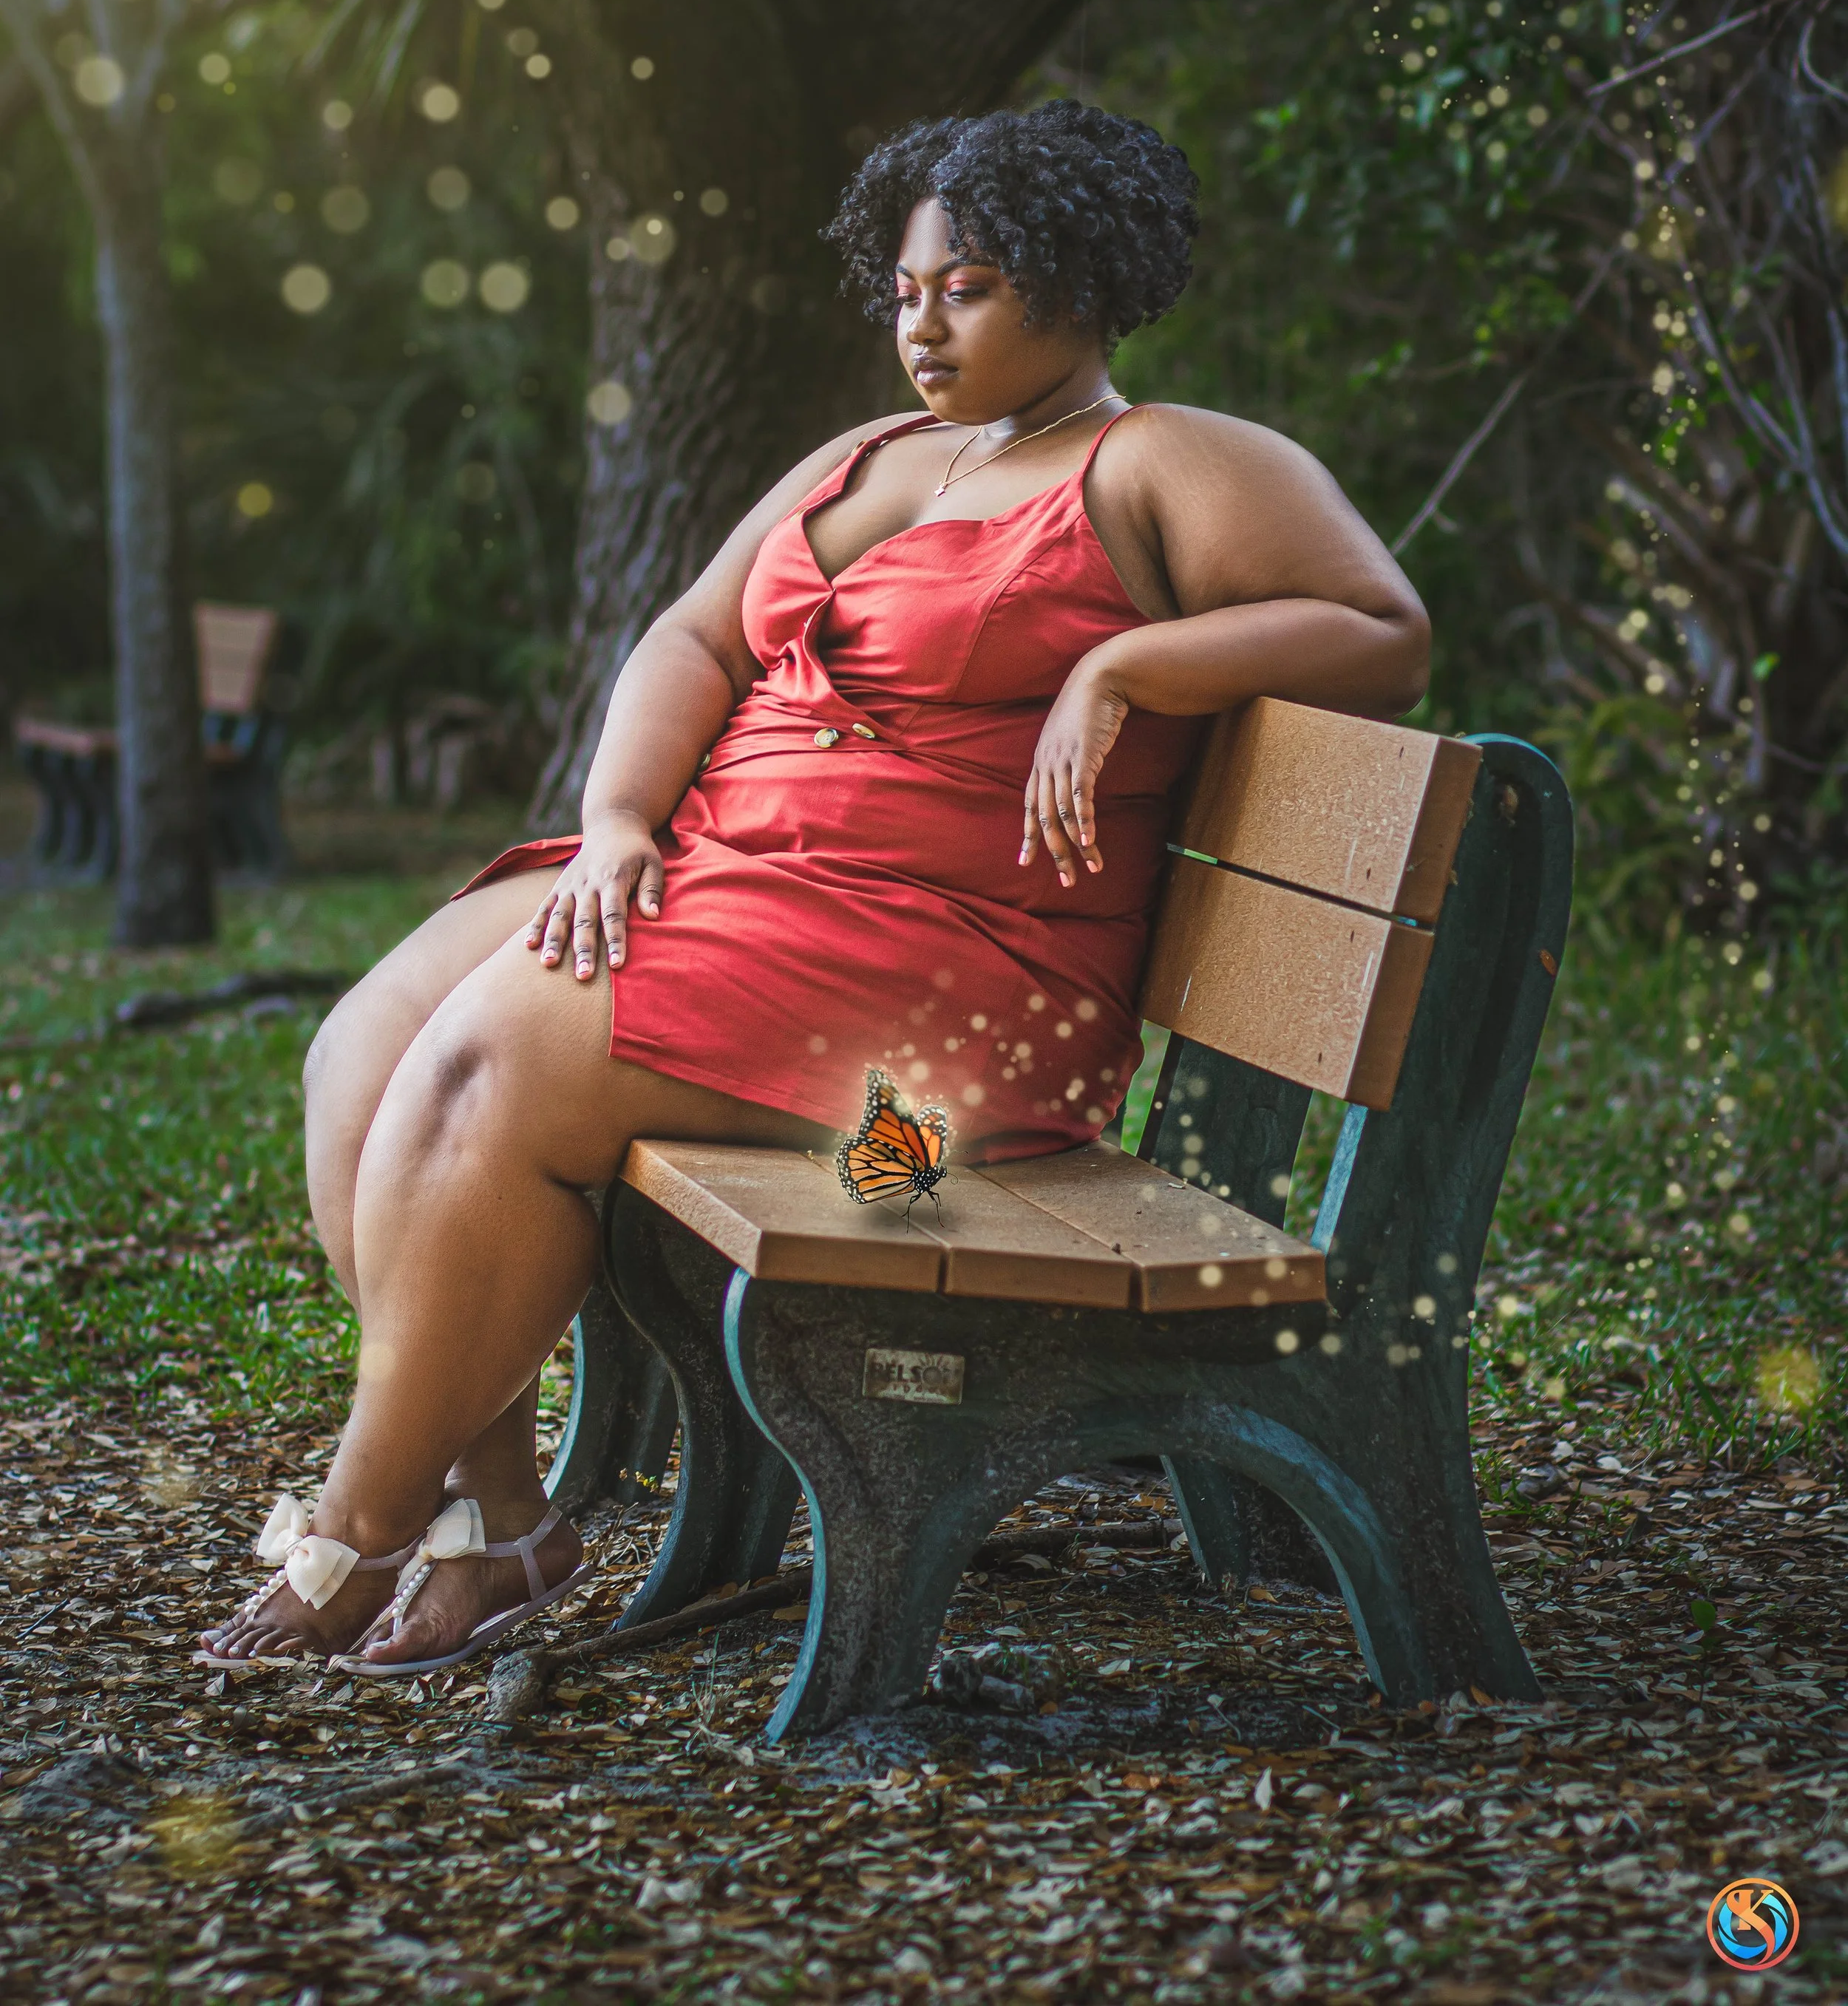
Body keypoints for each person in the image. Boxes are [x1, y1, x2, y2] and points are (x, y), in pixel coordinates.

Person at [199, 101, 1429, 1675]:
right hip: (730, 885)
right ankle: (494, 1516)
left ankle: (358, 1522)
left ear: (1077, 280)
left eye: (967, 286)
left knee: (482, 1067)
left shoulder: (1162, 462)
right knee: (364, 1052)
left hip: (941, 1051)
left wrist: (1124, 657)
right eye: (907, 287)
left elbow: (1379, 629)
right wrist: (625, 818)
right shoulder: (865, 458)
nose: (920, 322)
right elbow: (696, 639)